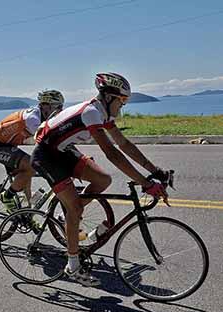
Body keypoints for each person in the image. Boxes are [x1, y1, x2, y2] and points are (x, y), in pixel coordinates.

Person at [31, 73, 168, 286]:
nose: (123, 107)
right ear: (109, 97)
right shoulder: (92, 112)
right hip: (46, 155)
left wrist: (155, 170)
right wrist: (146, 183)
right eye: (122, 101)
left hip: (63, 150)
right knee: (76, 210)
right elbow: (112, 153)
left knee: (103, 180)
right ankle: (73, 266)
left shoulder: (104, 113)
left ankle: (65, 215)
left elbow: (124, 144)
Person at [0, 90, 64, 213]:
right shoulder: (33, 119)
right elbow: (46, 144)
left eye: (61, 106)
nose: (60, 110)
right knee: (31, 167)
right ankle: (7, 196)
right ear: (45, 105)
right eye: (58, 106)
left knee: (27, 178)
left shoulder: (43, 116)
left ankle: (27, 215)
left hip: (9, 145)